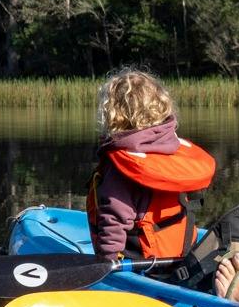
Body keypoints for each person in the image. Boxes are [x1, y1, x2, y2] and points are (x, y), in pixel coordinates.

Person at [88, 67, 216, 263]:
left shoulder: (121, 166)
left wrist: (107, 262)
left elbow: (114, 221)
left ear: (114, 114)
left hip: (142, 265)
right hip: (183, 259)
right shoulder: (172, 151)